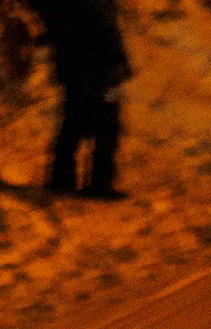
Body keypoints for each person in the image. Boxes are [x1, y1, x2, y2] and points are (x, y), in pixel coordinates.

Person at [42, 0, 129, 198]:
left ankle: (61, 179)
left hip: (79, 67)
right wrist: (116, 65)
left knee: (74, 121)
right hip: (97, 68)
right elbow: (105, 32)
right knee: (106, 126)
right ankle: (98, 183)